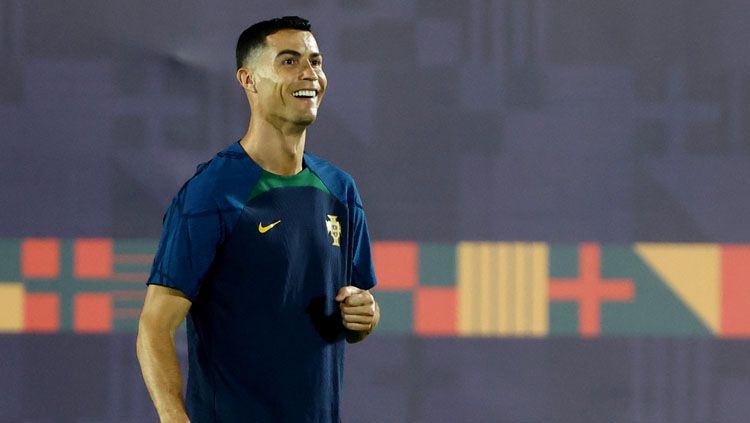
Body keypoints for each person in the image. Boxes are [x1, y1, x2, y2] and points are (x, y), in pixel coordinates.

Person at [136, 16, 380, 423]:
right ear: (248, 80)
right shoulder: (211, 192)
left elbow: (355, 310)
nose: (310, 73)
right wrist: (173, 417)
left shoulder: (341, 189)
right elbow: (155, 325)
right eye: (289, 61)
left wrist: (364, 314)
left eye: (316, 61)